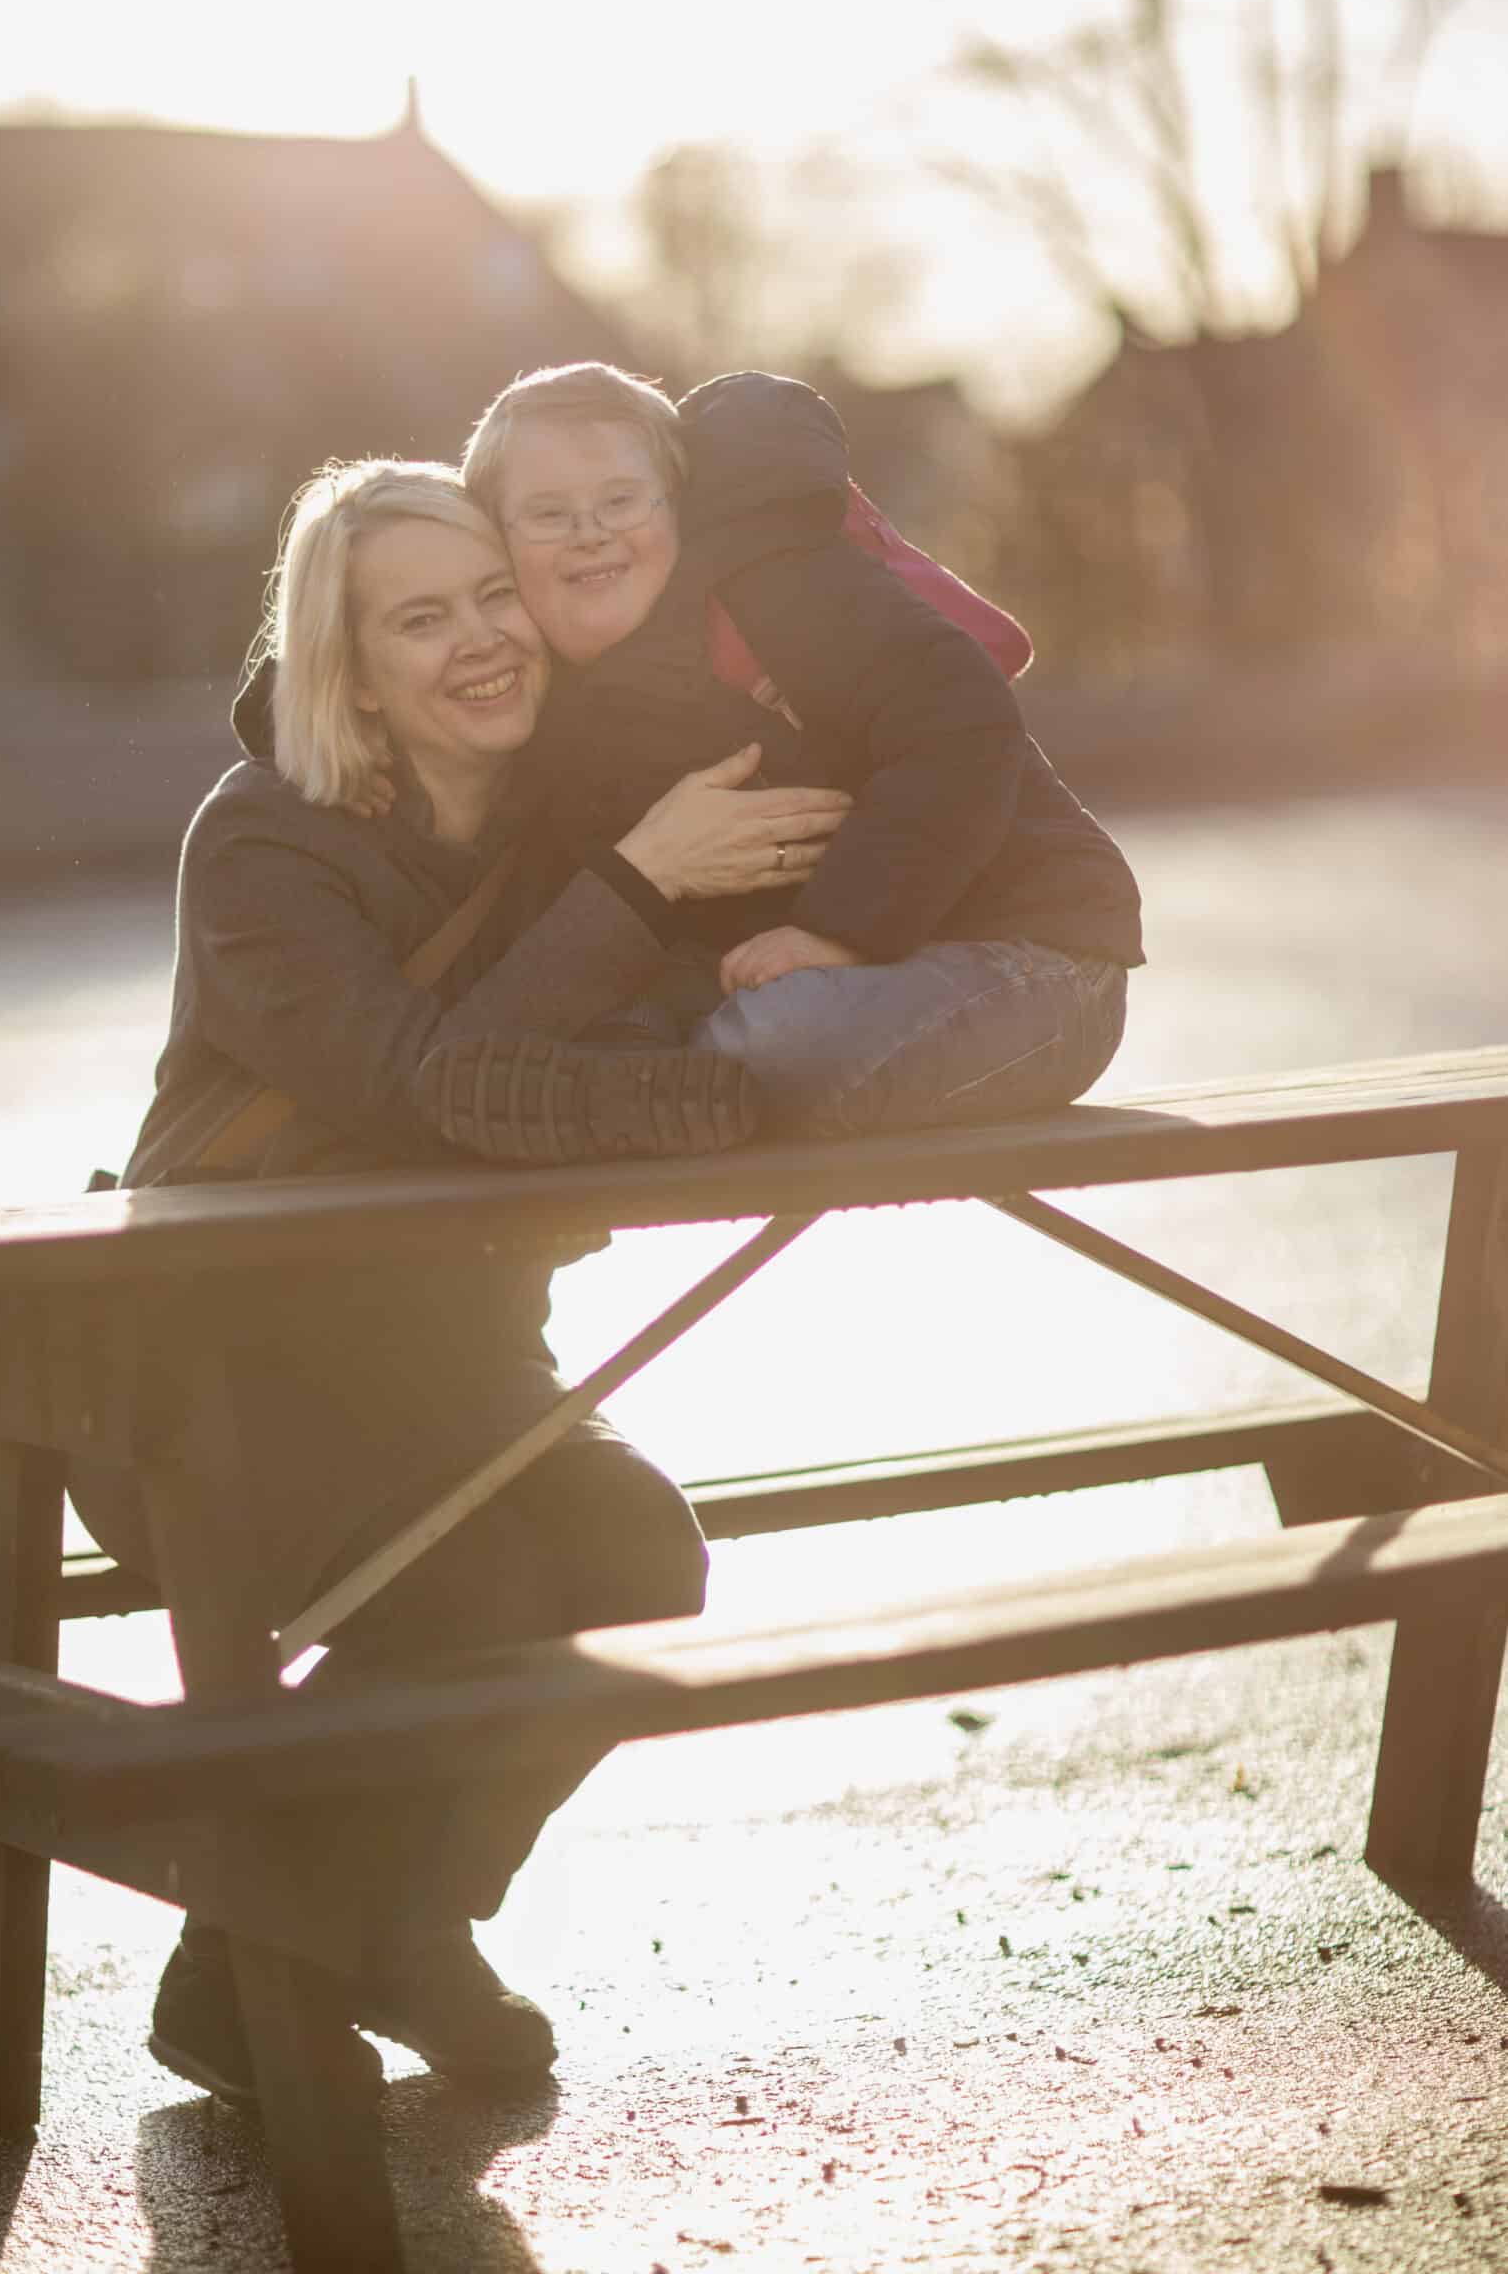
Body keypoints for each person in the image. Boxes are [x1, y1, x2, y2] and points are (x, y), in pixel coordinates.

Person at [70, 460, 851, 2108]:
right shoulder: (264, 844)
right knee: (471, 1593)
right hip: (217, 1364)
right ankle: (318, 1954)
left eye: (497, 596)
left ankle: (373, 1930)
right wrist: (640, 884)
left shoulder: (569, 803)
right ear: (344, 666)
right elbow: (431, 1083)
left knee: (636, 1554)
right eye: (421, 619)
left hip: (449, 1343)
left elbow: (652, 1021)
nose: (483, 640)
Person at [424, 364, 1144, 1158]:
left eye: (620, 502)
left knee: (773, 1045)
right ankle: (611, 1090)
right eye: (547, 515)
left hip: (1037, 965)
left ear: (676, 502)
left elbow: (962, 722)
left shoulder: (778, 588)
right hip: (843, 979)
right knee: (620, 1026)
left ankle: (619, 1101)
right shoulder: (556, 709)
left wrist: (842, 932)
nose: (590, 531)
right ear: (496, 538)